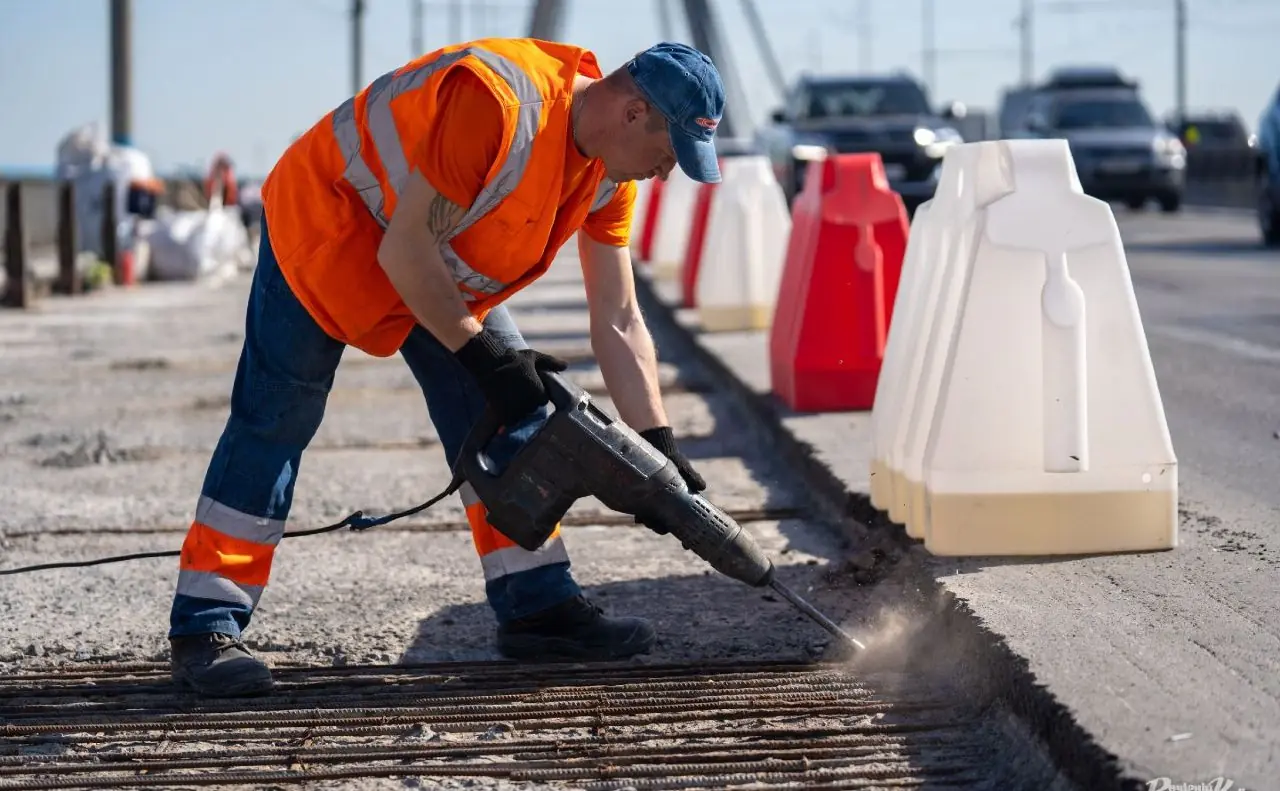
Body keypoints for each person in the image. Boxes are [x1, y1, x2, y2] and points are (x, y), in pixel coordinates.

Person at [167, 37, 727, 697]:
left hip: (438, 261)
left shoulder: (607, 172)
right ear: (635, 111)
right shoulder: (497, 102)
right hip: (332, 223)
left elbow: (619, 316)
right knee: (277, 417)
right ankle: (206, 625)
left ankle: (538, 607)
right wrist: (482, 353)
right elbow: (405, 249)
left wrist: (657, 447)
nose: (664, 173)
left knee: (515, 422)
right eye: (668, 155)